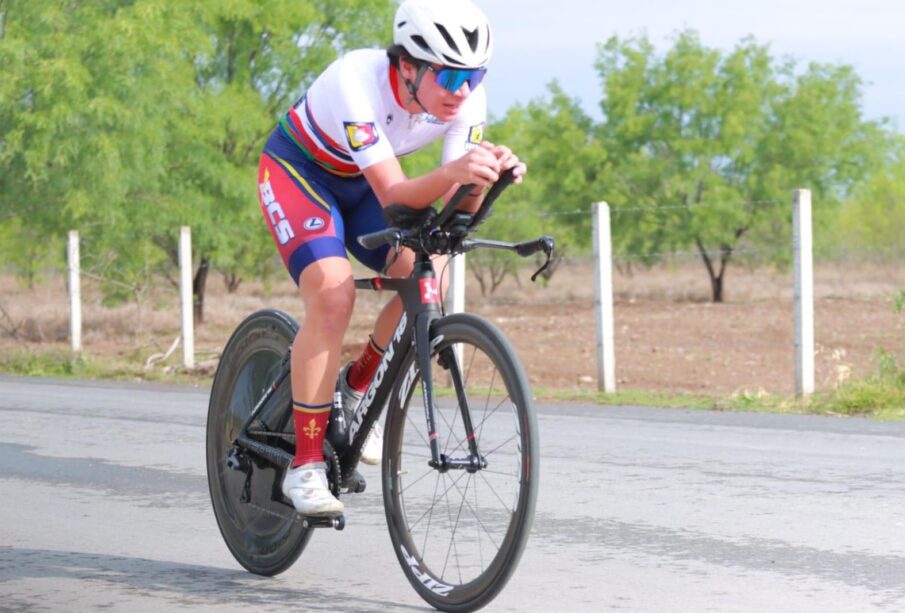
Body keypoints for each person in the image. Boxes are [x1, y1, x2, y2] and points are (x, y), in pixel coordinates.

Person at [256, 0, 526, 516]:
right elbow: (399, 197)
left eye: (475, 74)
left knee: (429, 273)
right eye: (450, 75)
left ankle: (358, 386)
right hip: (300, 174)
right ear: (408, 66)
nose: (463, 90)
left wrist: (488, 179)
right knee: (333, 294)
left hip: (364, 186)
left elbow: (452, 214)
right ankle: (305, 467)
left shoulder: (466, 100)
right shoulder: (355, 80)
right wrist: (455, 174)